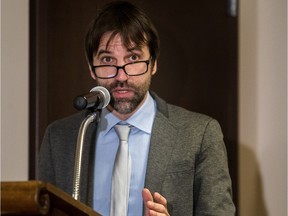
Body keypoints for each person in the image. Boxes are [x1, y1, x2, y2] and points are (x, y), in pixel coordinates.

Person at [38, 1, 236, 215]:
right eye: (107, 60)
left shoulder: (200, 134)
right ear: (91, 68)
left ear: (153, 63)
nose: (121, 76)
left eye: (133, 58)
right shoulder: (59, 138)